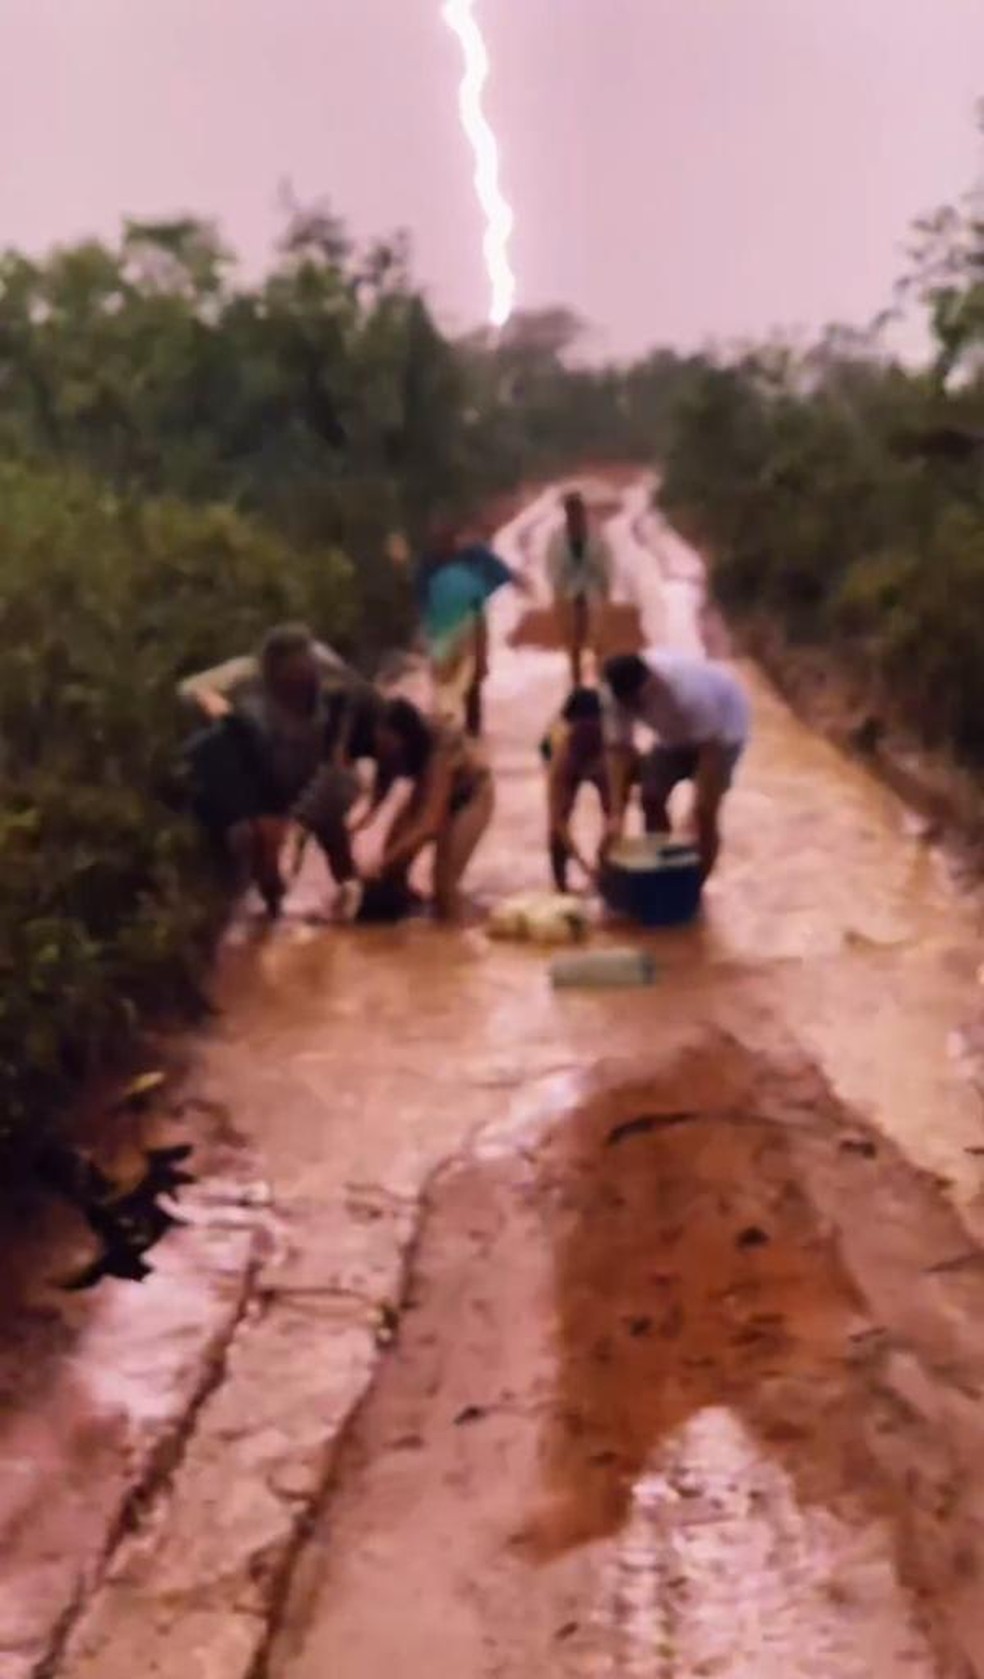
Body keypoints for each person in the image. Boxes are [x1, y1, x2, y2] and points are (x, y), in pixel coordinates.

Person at [180, 624, 384, 918]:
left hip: (317, 766)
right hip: (267, 771)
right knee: (259, 844)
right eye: (288, 681)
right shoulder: (244, 675)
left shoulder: (328, 671)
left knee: (332, 832)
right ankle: (272, 909)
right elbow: (189, 689)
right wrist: (221, 710)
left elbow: (368, 699)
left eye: (302, 678)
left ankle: (355, 898)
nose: (296, 687)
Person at [601, 651, 750, 881]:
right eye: (629, 704)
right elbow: (618, 752)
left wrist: (698, 804)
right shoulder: (613, 697)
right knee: (650, 796)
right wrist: (617, 814)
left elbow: (710, 752)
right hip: (671, 737)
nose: (636, 709)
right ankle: (660, 867)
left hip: (723, 733)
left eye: (639, 702)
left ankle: (697, 883)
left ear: (652, 683)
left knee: (704, 813)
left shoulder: (688, 694)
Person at [369, 696, 494, 920]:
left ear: (405, 737)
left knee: (444, 882)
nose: (384, 750)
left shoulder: (439, 749)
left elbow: (429, 825)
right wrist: (359, 825)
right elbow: (380, 792)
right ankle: (407, 926)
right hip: (430, 790)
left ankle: (455, 932)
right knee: (392, 871)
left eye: (388, 744)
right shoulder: (386, 746)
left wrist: (379, 863)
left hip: (472, 794)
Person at [540, 687, 634, 893]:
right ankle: (560, 886)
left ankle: (608, 880)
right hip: (567, 757)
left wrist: (603, 862)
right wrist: (585, 867)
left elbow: (617, 815)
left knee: (615, 819)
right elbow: (558, 821)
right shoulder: (559, 750)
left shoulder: (616, 745)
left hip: (605, 758)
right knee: (557, 825)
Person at [546, 491, 615, 685]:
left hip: (592, 592)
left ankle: (601, 681)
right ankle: (576, 682)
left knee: (597, 641)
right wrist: (558, 591)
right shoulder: (557, 538)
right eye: (570, 510)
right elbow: (551, 567)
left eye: (577, 510)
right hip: (568, 594)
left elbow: (605, 564)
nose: (574, 514)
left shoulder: (596, 536)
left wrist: (605, 589)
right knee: (573, 643)